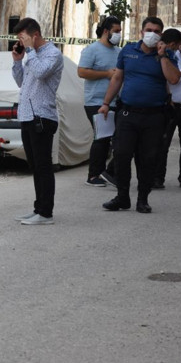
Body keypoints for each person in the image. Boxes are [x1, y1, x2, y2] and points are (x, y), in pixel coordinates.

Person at [98, 17, 181, 213]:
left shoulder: (167, 54)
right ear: (142, 32)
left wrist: (162, 56)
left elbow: (174, 79)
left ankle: (142, 199)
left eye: (157, 31)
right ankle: (122, 197)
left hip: (154, 116)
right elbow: (118, 77)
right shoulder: (128, 51)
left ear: (161, 34)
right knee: (122, 155)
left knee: (148, 158)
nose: (152, 33)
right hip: (128, 113)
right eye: (149, 29)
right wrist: (105, 103)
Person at [11, 18, 64, 225]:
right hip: (27, 115)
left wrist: (30, 52)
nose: (21, 42)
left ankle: (46, 213)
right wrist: (17, 60)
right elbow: (21, 82)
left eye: (23, 38)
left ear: (34, 35)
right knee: (34, 165)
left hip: (42, 116)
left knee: (43, 166)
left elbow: (42, 73)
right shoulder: (30, 56)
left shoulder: (53, 54)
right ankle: (38, 208)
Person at [77, 16, 122, 187]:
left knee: (118, 139)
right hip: (95, 101)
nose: (119, 35)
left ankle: (108, 173)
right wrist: (106, 74)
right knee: (102, 138)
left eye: (120, 31)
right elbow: (82, 72)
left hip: (116, 101)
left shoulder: (119, 52)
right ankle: (94, 175)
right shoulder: (92, 50)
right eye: (116, 31)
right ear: (106, 31)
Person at [153, 28, 181, 190]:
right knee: (163, 144)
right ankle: (158, 178)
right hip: (171, 105)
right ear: (179, 44)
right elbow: (169, 78)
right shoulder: (171, 55)